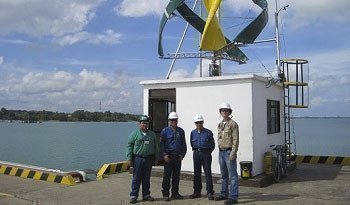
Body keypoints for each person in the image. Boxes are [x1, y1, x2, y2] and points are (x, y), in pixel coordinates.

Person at [126, 115, 160, 204]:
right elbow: (129, 146)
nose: (145, 125)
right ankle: (133, 195)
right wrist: (129, 158)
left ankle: (146, 195)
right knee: (136, 178)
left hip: (148, 159)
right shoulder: (135, 134)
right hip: (138, 158)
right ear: (139, 124)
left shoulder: (152, 134)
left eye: (146, 123)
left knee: (146, 178)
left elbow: (156, 147)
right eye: (143, 123)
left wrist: (156, 158)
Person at [214, 103, 239, 205]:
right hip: (221, 152)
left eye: (226, 110)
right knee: (224, 175)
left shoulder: (233, 124)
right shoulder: (220, 124)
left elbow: (236, 140)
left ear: (229, 112)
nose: (224, 112)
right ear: (220, 112)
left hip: (229, 152)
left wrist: (233, 152)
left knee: (232, 175)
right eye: (222, 110)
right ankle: (224, 193)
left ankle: (233, 197)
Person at [160, 112, 187, 201]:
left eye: (175, 120)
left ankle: (175, 193)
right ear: (169, 121)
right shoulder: (165, 131)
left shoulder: (181, 131)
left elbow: (184, 144)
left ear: (177, 120)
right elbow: (161, 145)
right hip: (168, 157)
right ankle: (165, 194)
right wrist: (164, 155)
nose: (173, 122)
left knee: (176, 176)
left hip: (177, 157)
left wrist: (182, 155)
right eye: (172, 120)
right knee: (167, 176)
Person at [189, 114, 215, 200]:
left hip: (206, 154)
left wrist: (207, 152)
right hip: (196, 153)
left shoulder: (208, 132)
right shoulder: (192, 133)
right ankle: (197, 192)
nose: (198, 124)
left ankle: (210, 192)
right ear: (195, 123)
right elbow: (192, 143)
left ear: (202, 122)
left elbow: (212, 145)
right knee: (197, 173)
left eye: (200, 122)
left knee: (207, 173)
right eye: (197, 123)